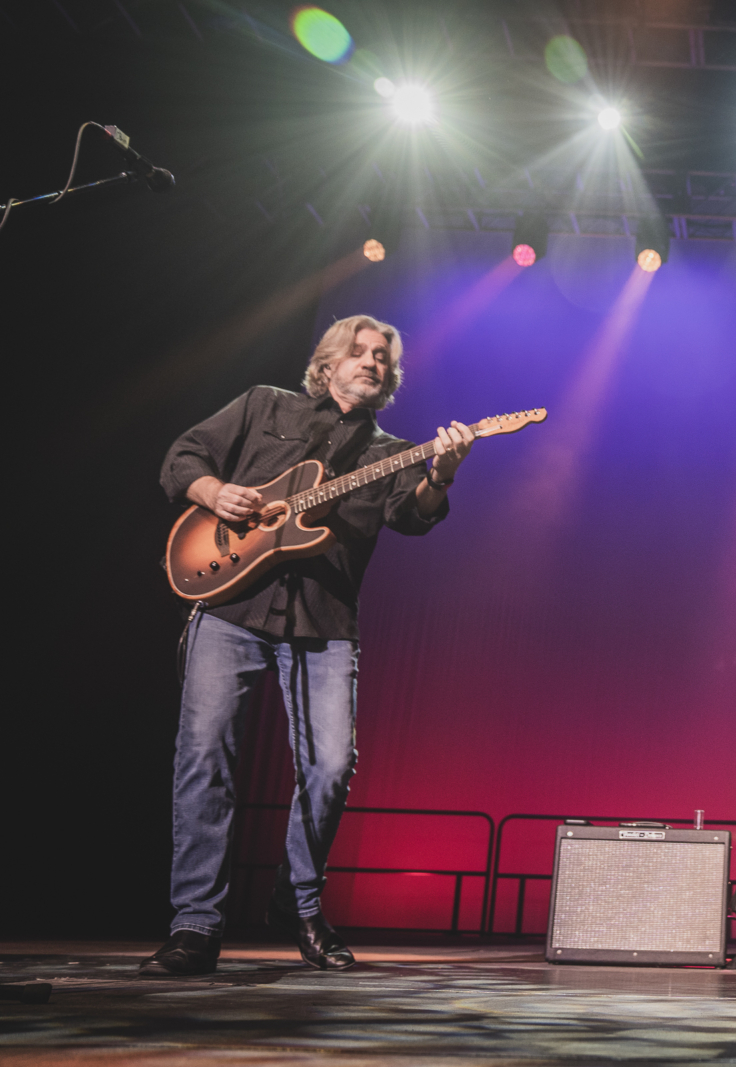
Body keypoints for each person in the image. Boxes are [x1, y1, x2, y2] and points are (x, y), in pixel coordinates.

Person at [139, 315, 473, 977]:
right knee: (203, 757)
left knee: (331, 767)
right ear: (326, 364)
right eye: (360, 350)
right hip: (230, 604)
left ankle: (298, 901)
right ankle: (195, 925)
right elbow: (183, 456)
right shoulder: (267, 404)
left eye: (384, 356)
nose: (373, 361)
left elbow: (414, 517)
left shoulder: (389, 453)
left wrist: (443, 473)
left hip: (323, 624)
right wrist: (215, 491)